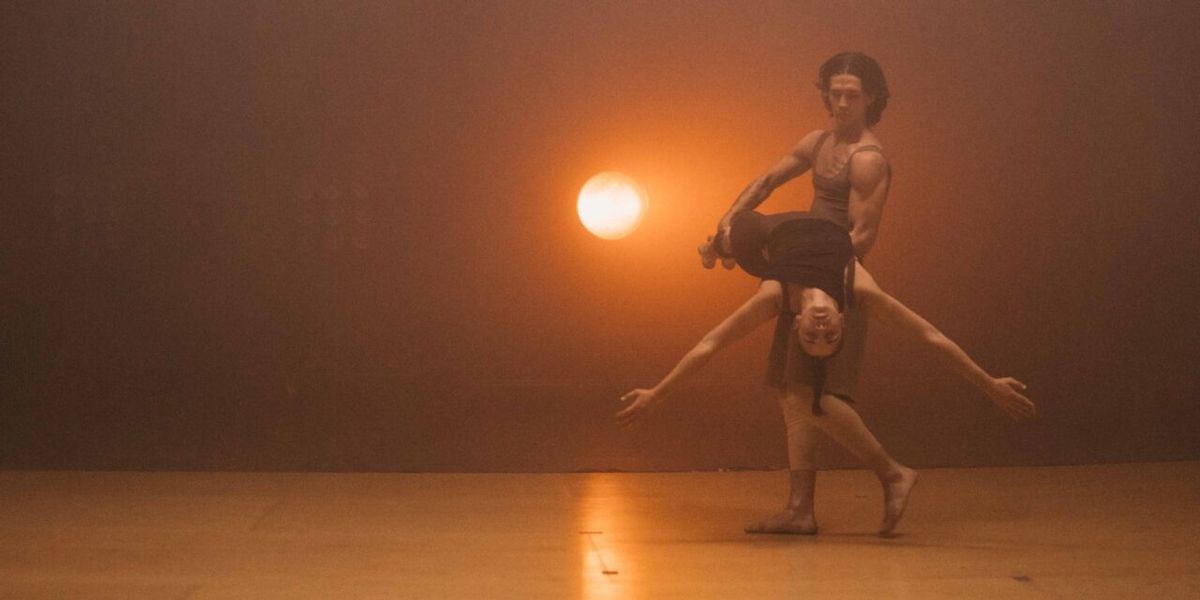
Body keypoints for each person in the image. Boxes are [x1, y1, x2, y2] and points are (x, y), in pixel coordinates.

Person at [617, 211, 1036, 536]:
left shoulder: (775, 295)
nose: (820, 326)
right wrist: (989, 384)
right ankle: (831, 498)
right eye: (827, 334)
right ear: (842, 321)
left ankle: (717, 250)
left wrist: (658, 392)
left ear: (795, 323)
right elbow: (931, 335)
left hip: (762, 238)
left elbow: (711, 343)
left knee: (735, 233)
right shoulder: (857, 288)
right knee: (800, 397)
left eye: (814, 335)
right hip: (825, 230)